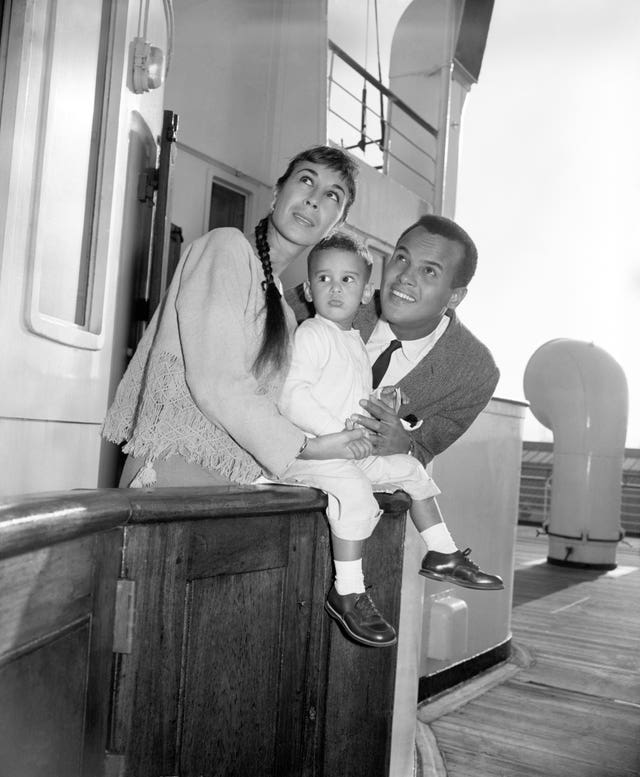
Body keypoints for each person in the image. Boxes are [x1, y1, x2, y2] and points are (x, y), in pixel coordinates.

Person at [278, 233, 501, 648]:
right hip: (307, 457)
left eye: (429, 271)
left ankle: (442, 551)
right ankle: (347, 590)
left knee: (411, 470)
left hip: (355, 462)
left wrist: (398, 428)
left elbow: (413, 432)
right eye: (401, 258)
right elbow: (276, 382)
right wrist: (334, 437)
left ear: (455, 296)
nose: (405, 278)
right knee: (355, 495)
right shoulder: (318, 314)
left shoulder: (475, 370)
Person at [102, 145, 371, 487]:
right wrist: (309, 447)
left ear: (336, 226)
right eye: (306, 180)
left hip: (232, 484)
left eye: (332, 195)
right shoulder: (225, 248)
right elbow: (217, 383)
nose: (314, 199)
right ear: (277, 192)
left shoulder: (287, 316)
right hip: (173, 476)